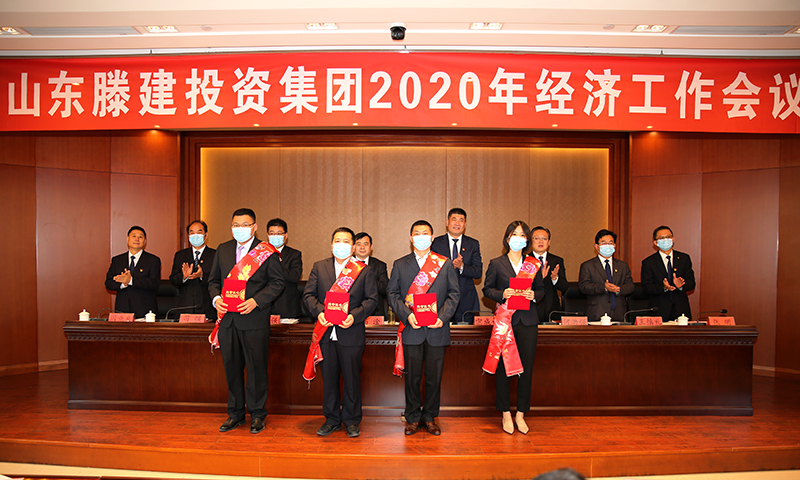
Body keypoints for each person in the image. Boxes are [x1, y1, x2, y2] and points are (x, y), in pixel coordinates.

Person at [208, 208, 285, 434]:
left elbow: (277, 283)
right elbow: (213, 281)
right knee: (231, 368)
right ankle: (235, 414)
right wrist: (216, 299)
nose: (239, 229)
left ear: (254, 227)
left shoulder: (266, 251)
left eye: (245, 225)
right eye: (236, 225)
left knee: (256, 368)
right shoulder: (223, 249)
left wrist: (256, 301)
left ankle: (257, 414)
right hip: (228, 321)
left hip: (254, 320)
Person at [303, 227, 378, 438]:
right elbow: (308, 295)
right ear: (331, 245)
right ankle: (332, 419)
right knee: (329, 380)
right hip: (326, 333)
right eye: (337, 240)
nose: (341, 245)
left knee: (352, 380)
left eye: (346, 241)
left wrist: (354, 316)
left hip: (351, 333)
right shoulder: (319, 267)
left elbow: (372, 300)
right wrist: (319, 312)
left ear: (353, 247)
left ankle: (352, 421)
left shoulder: (363, 270)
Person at [387, 220, 460, 436]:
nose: (421, 236)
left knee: (434, 378)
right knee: (412, 378)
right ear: (411, 238)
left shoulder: (444, 263)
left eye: (425, 233)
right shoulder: (400, 264)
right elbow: (392, 294)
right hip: (412, 329)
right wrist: (407, 315)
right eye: (417, 233)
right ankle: (412, 417)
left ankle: (429, 417)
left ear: (432, 237)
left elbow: (454, 294)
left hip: (437, 329)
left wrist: (443, 317)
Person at [482, 221, 545, 435]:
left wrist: (533, 295)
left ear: (527, 240)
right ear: (507, 237)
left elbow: (541, 290)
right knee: (504, 369)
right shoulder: (496, 263)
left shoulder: (533, 264)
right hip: (505, 322)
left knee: (525, 369)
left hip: (527, 322)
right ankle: (505, 414)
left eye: (522, 235)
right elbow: (487, 289)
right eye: (514, 234)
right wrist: (503, 294)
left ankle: (521, 414)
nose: (518, 238)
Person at [431, 208, 482, 324]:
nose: (457, 223)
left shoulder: (473, 244)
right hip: (442, 301)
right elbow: (431, 271)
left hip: (466, 302)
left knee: (465, 335)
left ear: (465, 224)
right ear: (447, 222)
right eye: (454, 220)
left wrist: (462, 266)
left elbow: (478, 272)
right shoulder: (436, 243)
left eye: (461, 220)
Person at [641, 225, 696, 321]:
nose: (665, 240)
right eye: (661, 238)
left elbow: (691, 283)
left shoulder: (684, 258)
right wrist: (664, 287)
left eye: (668, 237)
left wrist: (681, 285)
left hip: (681, 310)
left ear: (673, 239)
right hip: (659, 310)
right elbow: (646, 288)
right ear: (655, 242)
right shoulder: (648, 262)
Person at [104, 226, 161, 318]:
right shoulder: (117, 260)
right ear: (128, 239)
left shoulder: (153, 260)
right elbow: (109, 283)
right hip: (122, 311)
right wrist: (123, 283)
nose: (137, 239)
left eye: (140, 237)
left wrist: (131, 280)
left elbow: (154, 283)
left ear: (145, 241)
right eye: (134, 236)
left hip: (145, 311)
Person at [578, 229, 634, 322]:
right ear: (597, 246)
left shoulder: (623, 265)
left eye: (610, 243)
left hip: (619, 313)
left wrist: (618, 289)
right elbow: (583, 287)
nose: (608, 246)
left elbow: (630, 286)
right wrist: (604, 287)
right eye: (604, 243)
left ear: (614, 245)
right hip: (597, 313)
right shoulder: (587, 266)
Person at [168, 220, 216, 320]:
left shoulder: (215, 255)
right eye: (192, 232)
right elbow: (173, 279)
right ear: (188, 236)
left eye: (199, 232)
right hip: (185, 307)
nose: (195, 235)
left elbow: (219, 280)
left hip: (207, 308)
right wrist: (184, 277)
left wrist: (202, 276)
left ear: (206, 235)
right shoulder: (180, 255)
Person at [266, 218, 303, 319]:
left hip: (287, 307)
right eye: (272, 233)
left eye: (279, 233)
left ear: (285, 235)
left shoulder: (294, 254)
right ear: (268, 235)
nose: (275, 236)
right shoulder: (260, 254)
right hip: (264, 306)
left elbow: (295, 277)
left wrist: (275, 264)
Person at [530, 226, 569, 323]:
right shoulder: (524, 260)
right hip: (531, 310)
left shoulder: (557, 260)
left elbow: (564, 287)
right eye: (537, 238)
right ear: (530, 241)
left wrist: (555, 278)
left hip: (552, 311)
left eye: (544, 238)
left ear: (549, 242)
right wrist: (539, 277)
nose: (540, 241)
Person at [353, 232, 389, 318]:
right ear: (353, 247)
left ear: (371, 247)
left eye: (365, 244)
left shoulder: (380, 265)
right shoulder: (346, 265)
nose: (362, 247)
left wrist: (368, 279)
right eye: (358, 244)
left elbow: (386, 288)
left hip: (375, 312)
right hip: (351, 312)